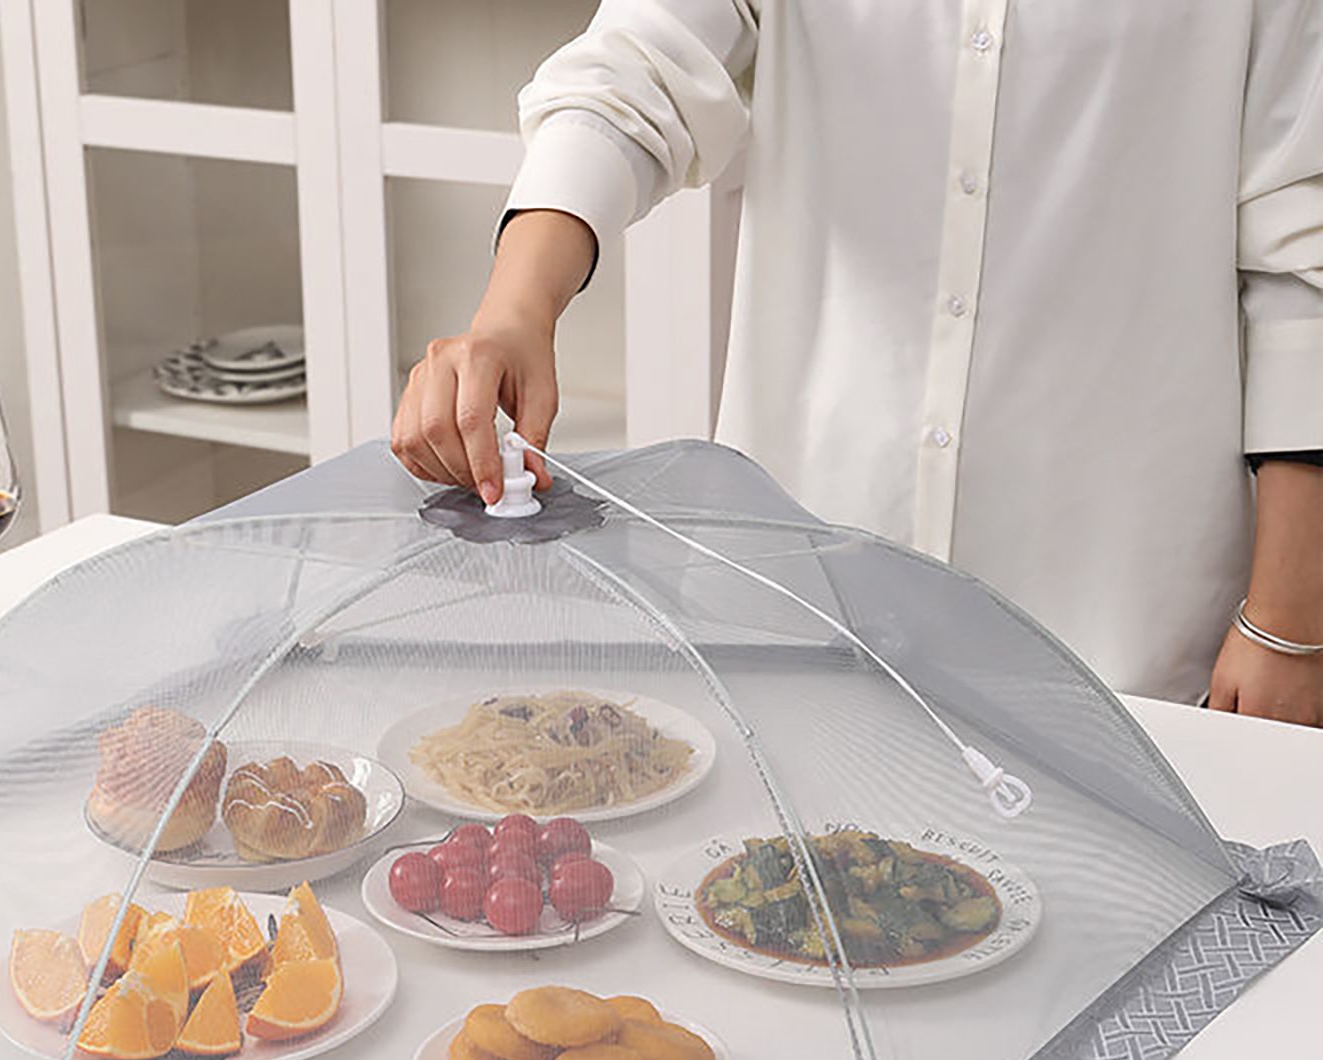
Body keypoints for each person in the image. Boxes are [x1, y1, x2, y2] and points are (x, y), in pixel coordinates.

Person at [391, 2, 1323, 723]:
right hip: (810, 589)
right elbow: (638, 69)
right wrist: (516, 308)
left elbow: (1302, 259)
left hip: (1119, 623)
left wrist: (1291, 625)